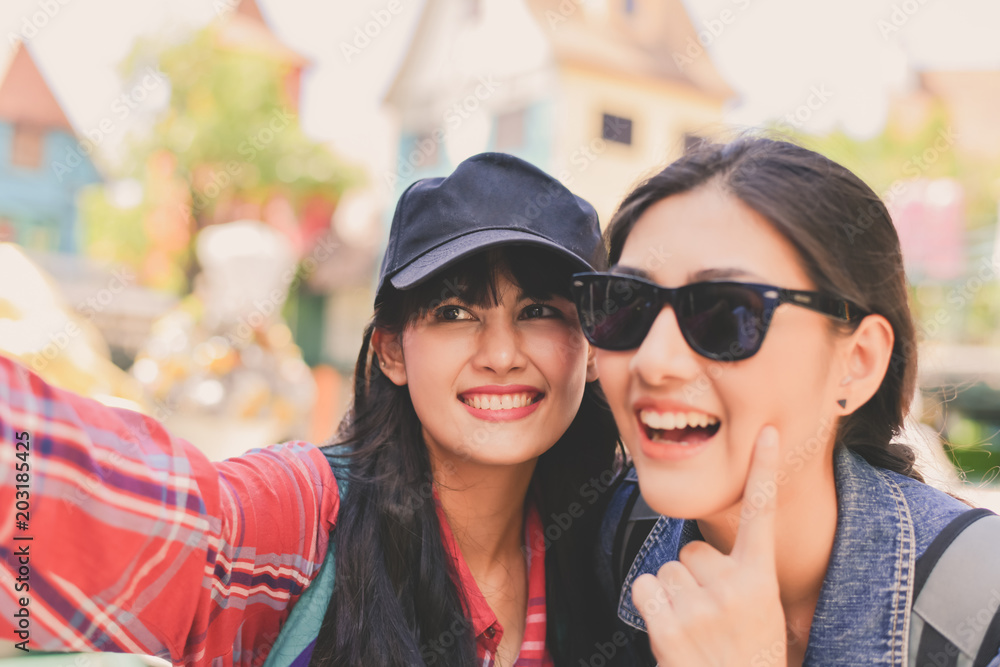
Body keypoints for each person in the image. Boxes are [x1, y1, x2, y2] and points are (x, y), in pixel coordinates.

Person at [0, 152, 622, 667]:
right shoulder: (307, 517)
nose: (502, 354)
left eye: (539, 310)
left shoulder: (620, 547)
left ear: (592, 345)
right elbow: (128, 510)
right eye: (454, 313)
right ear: (391, 352)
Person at [571, 137, 1000, 666]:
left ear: (858, 361)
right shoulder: (613, 536)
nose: (653, 361)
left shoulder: (985, 611)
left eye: (726, 313)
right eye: (626, 304)